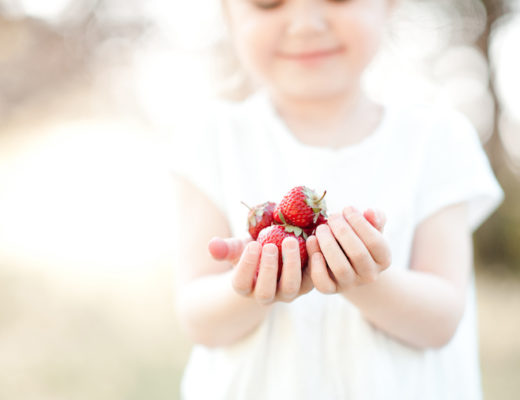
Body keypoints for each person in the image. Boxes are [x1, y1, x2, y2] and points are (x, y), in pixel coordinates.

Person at [170, 0, 504, 399]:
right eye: (267, 2)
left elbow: (442, 319)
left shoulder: (438, 140)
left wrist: (363, 279)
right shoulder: (212, 139)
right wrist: (251, 284)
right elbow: (199, 320)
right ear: (228, 13)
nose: (306, 24)